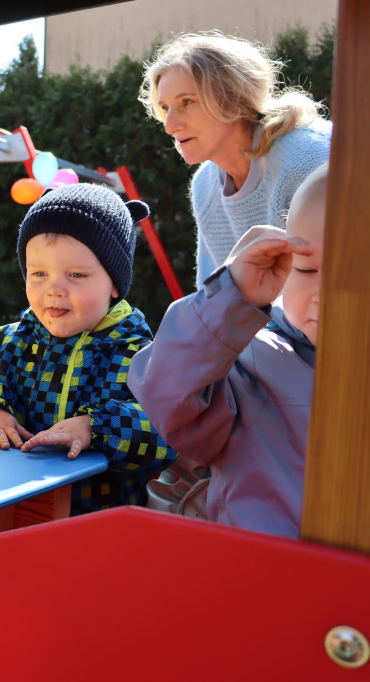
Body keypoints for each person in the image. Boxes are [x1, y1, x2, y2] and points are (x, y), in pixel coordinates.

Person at [0, 184, 177, 513]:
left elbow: (167, 433)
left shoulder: (139, 356)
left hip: (96, 523)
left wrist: (96, 427)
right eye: (39, 273)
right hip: (7, 512)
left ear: (114, 285)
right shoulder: (3, 344)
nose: (54, 289)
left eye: (76, 274)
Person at [128, 164, 326, 539]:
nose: (323, 294)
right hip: (261, 579)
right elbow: (168, 401)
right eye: (307, 269)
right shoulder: (254, 362)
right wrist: (230, 300)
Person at [139, 31, 331, 286]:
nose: (170, 125)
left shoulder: (309, 157)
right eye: (165, 108)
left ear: (234, 98)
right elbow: (216, 296)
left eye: (187, 102)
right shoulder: (205, 185)